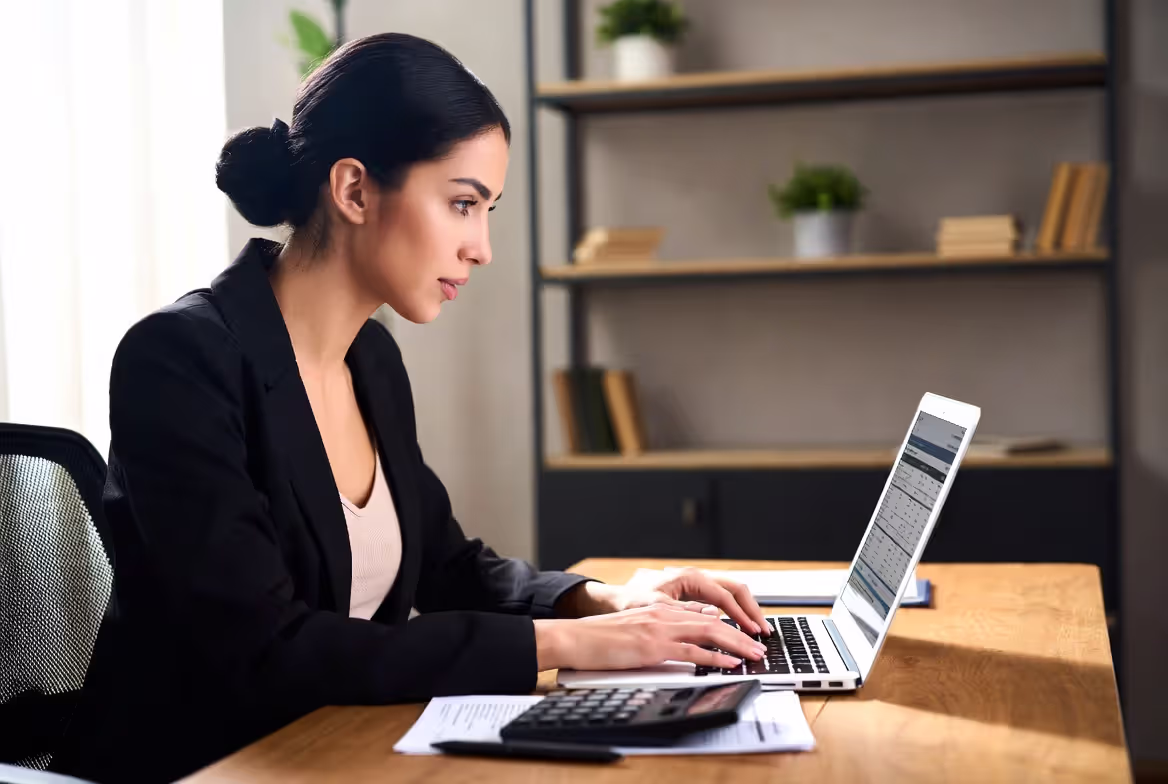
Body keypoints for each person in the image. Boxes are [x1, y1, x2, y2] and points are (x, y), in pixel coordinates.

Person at [51, 33, 770, 784]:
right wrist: (568, 648)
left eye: (486, 209)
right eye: (462, 204)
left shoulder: (372, 358)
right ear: (355, 190)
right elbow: (267, 649)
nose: (482, 247)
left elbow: (446, 566)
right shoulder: (179, 360)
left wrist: (607, 600)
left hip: (339, 751)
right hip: (210, 766)